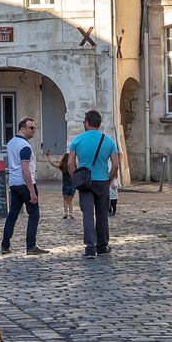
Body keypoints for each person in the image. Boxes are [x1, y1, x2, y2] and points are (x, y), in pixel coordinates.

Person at [70, 110, 121, 258]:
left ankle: (90, 247)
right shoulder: (109, 141)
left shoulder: (77, 140)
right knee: (102, 215)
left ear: (86, 122)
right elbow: (116, 165)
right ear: (99, 123)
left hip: (85, 183)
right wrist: (109, 180)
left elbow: (69, 163)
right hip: (102, 181)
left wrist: (76, 179)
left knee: (87, 214)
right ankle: (103, 245)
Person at [1, 117, 47, 255]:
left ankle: (5, 245)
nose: (34, 130)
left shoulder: (11, 143)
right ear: (22, 129)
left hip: (14, 183)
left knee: (13, 214)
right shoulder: (25, 146)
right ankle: (31, 246)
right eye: (31, 128)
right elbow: (25, 169)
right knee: (34, 214)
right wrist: (32, 191)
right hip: (25, 183)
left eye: (35, 127)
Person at [45, 141, 78, 221]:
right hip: (73, 186)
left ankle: (66, 212)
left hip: (65, 186)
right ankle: (71, 213)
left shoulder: (62, 166)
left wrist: (48, 156)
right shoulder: (74, 166)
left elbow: (52, 163)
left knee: (65, 200)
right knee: (70, 201)